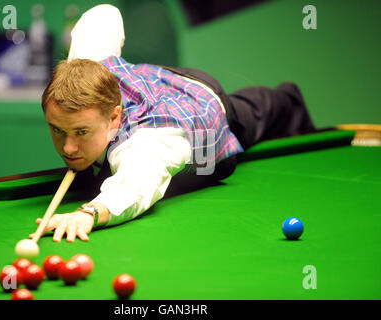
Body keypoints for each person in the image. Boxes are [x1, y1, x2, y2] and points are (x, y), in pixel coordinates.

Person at [29, 4, 316, 243]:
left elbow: (135, 185)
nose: (68, 147)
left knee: (258, 111)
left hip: (200, 104)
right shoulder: (86, 64)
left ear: (115, 117)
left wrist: (88, 213)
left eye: (81, 132)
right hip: (158, 83)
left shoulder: (151, 140)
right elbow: (103, 14)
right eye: (57, 129)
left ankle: (289, 99)